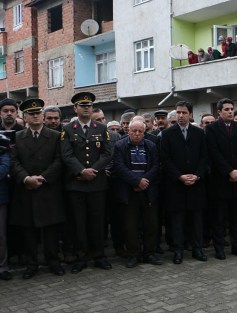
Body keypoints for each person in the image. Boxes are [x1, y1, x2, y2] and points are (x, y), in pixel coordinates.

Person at [10, 98, 66, 278]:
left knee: (50, 229)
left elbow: (59, 160)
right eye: (31, 114)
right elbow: (13, 161)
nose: (35, 116)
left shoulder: (55, 136)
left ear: (42, 116)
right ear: (24, 117)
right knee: (29, 230)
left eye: (38, 113)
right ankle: (31, 264)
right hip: (27, 189)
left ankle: (53, 261)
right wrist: (26, 178)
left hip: (47, 188)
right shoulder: (17, 137)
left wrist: (44, 177)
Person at [60, 92, 113, 274]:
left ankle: (99, 256)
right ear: (75, 108)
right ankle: (81, 257)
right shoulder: (67, 129)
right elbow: (66, 155)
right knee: (78, 223)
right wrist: (81, 171)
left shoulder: (101, 128)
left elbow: (107, 153)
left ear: (92, 108)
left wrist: (94, 171)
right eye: (82, 105)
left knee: (97, 222)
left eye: (88, 105)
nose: (85, 108)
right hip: (76, 184)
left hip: (97, 183)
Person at [160, 101, 208, 264]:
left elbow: (204, 157)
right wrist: (179, 176)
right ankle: (178, 250)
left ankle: (197, 249)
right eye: (178, 112)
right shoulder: (167, 134)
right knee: (177, 220)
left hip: (196, 184)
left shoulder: (199, 133)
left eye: (183, 113)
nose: (180, 115)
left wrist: (197, 175)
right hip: (176, 185)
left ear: (190, 114)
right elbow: (165, 159)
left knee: (196, 220)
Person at [111, 119, 162, 268]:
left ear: (144, 132)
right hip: (129, 191)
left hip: (148, 190)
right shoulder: (120, 146)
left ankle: (149, 253)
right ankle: (133, 254)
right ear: (128, 131)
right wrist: (136, 181)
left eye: (140, 131)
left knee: (151, 224)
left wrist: (144, 181)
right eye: (134, 131)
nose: (137, 134)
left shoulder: (151, 146)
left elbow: (156, 165)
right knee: (130, 225)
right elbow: (119, 167)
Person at [205, 98, 237, 260]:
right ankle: (219, 249)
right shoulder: (211, 129)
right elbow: (213, 153)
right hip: (220, 180)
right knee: (219, 217)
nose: (230, 111)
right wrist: (229, 171)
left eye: (232, 108)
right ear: (219, 112)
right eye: (227, 109)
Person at [0, 133, 9, 281]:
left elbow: (4, 168)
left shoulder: (2, 142)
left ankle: (2, 267)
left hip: (0, 198)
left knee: (0, 235)